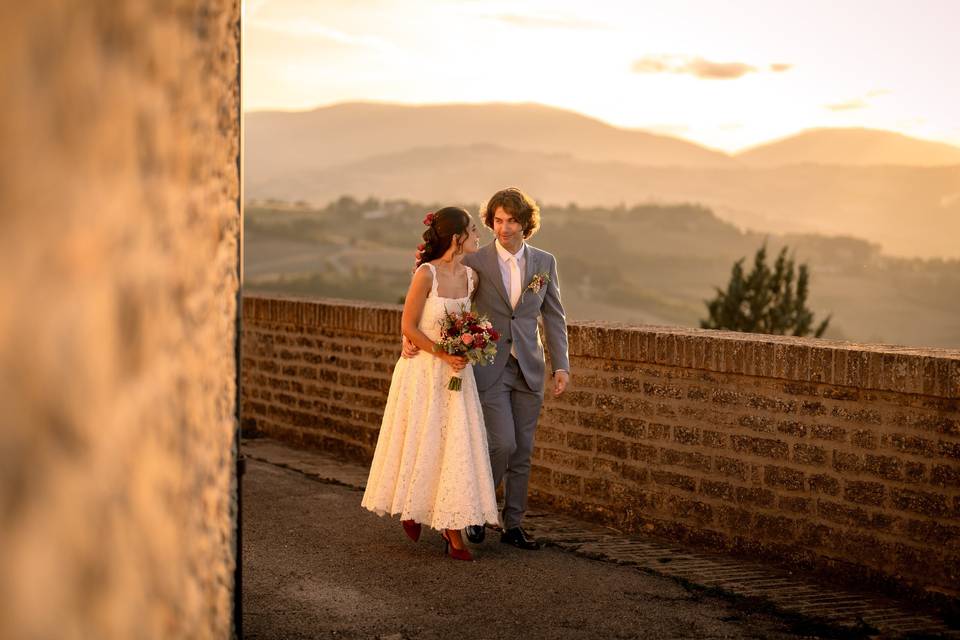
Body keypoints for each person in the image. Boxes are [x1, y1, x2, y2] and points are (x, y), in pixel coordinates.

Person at [403, 187, 570, 550]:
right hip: (488, 367)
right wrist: (411, 337)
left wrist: (562, 367)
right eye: (497, 221)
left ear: (526, 224)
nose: (504, 228)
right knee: (500, 444)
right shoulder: (475, 261)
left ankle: (513, 525)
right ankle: (477, 512)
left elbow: (553, 317)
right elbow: (438, 292)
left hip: (530, 367)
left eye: (511, 221)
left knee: (523, 450)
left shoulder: (545, 262)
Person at [361, 207, 500, 561]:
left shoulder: (472, 278)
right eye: (473, 230)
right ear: (457, 237)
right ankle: (416, 509)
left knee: (454, 447)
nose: (478, 236)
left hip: (456, 374)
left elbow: (472, 321)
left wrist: (473, 342)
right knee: (422, 441)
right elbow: (409, 326)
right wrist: (442, 352)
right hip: (423, 369)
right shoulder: (426, 274)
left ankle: (450, 526)